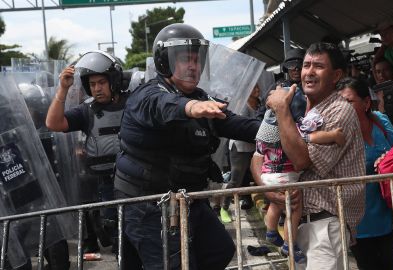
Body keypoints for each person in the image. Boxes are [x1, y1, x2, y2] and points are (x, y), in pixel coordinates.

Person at [113, 23, 260, 269]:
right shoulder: (147, 95)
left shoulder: (203, 99)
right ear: (164, 62)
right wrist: (190, 108)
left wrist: (280, 126)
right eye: (184, 59)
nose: (192, 66)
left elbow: (239, 124)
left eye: (196, 59)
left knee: (219, 249)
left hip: (187, 199)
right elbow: (164, 105)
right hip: (148, 205)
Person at [252, 42, 366, 270]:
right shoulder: (296, 105)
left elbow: (301, 160)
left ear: (336, 75)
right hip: (297, 225)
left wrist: (282, 110)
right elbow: (258, 154)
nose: (309, 72)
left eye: (319, 66)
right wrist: (268, 188)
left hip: (325, 224)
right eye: (306, 65)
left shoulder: (339, 110)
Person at [45, 50, 127, 254]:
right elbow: (53, 123)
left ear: (114, 80)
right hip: (107, 185)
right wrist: (63, 89)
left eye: (101, 82)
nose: (97, 88)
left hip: (137, 182)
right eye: (92, 84)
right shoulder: (86, 111)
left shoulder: (134, 103)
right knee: (117, 238)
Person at [255, 83, 345, 263]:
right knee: (294, 210)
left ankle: (271, 231)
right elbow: (312, 137)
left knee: (275, 205)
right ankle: (290, 243)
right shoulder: (292, 130)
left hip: (268, 176)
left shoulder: (264, 133)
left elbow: (258, 154)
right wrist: (333, 135)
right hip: (287, 177)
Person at [337, 77, 393, 270]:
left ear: (366, 103)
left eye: (349, 102)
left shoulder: (380, 121)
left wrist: (388, 159)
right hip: (359, 222)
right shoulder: (338, 135)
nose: (342, 108)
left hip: (391, 213)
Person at [220, 84, 261, 223]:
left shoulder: (259, 104)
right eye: (254, 88)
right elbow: (239, 129)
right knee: (235, 180)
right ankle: (224, 208)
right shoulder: (242, 106)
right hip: (239, 147)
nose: (257, 90)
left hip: (254, 147)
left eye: (258, 88)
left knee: (260, 176)